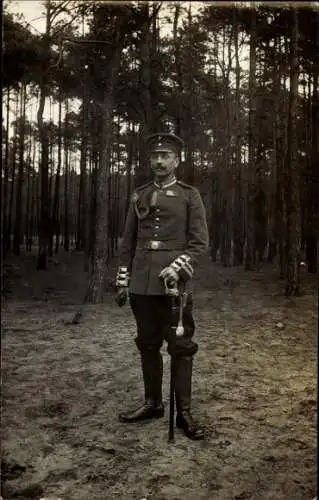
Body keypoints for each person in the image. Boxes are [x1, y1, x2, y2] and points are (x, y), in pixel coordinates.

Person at [115, 132, 209, 440]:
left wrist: (177, 268)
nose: (158, 161)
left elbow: (199, 244)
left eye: (165, 156)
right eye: (155, 156)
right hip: (142, 284)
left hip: (173, 286)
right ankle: (153, 403)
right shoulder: (139, 195)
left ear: (177, 161)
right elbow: (128, 242)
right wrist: (123, 280)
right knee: (147, 344)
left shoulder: (189, 195)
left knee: (180, 347)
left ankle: (183, 412)